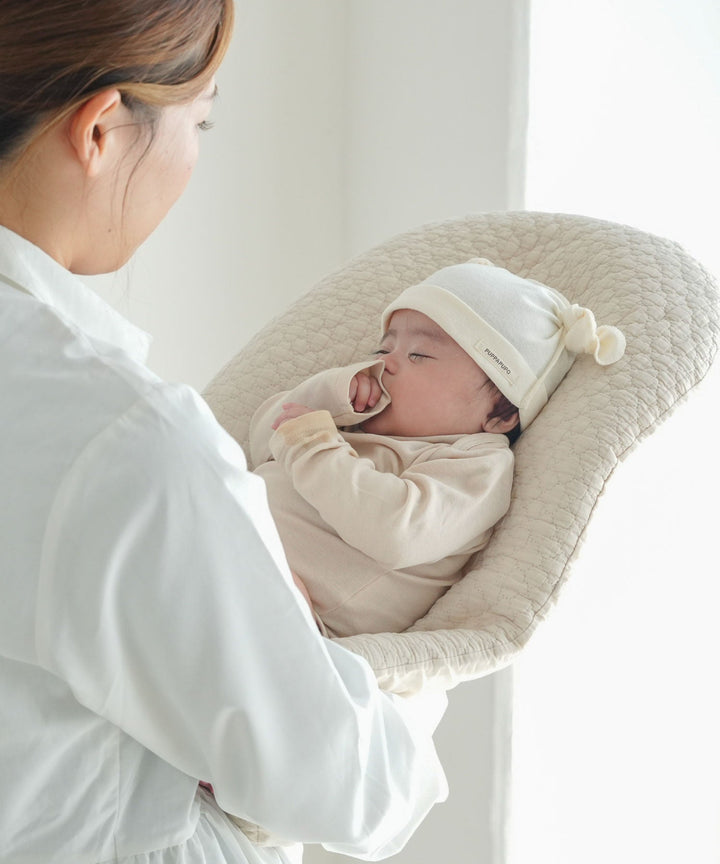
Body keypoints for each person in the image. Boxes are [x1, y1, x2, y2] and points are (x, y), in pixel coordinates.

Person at [0, 3, 448, 863]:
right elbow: (352, 789)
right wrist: (402, 664)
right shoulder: (123, 440)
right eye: (199, 119)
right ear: (99, 129)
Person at [249, 259, 626, 638]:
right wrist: (326, 397)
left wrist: (312, 445)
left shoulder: (477, 465)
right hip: (235, 542)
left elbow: (396, 531)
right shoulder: (347, 422)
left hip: (292, 609)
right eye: (383, 349)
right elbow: (259, 443)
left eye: (419, 355)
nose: (385, 364)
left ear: (499, 415)